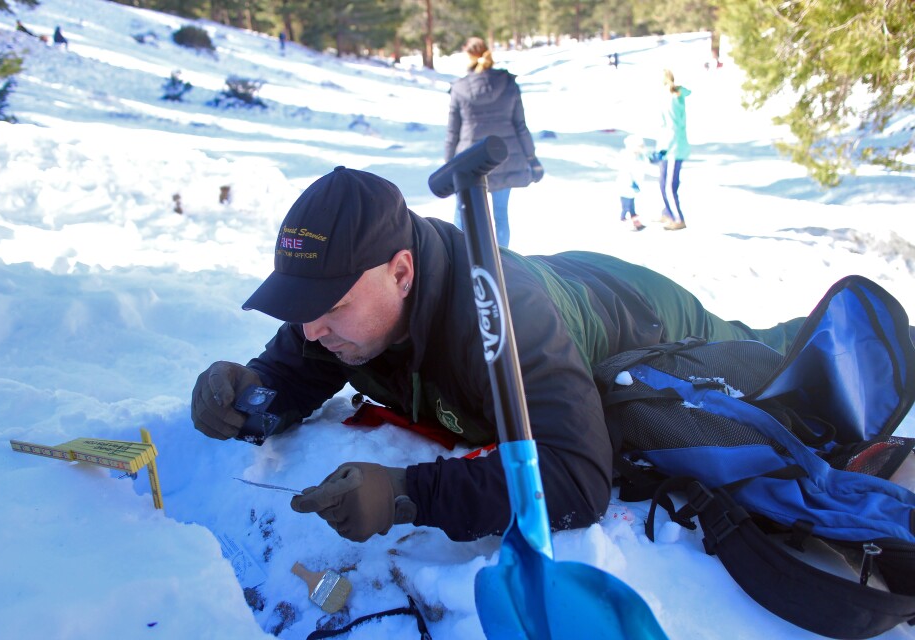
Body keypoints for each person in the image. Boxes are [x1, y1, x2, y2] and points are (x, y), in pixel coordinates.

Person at [191, 166, 811, 544]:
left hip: (634, 310)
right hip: (556, 278)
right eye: (300, 306)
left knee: (779, 355)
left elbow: (577, 475)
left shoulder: (495, 324)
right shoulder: (342, 314)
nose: (311, 328)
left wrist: (410, 493)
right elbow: (293, 368)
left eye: (329, 305)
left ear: (402, 271)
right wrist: (247, 397)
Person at [444, 37, 543, 249]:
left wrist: (448, 165)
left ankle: (459, 259)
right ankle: (503, 264)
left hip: (470, 160)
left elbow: (453, 131)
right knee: (500, 216)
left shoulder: (460, 88)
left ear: (467, 56)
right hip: (503, 157)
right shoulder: (508, 83)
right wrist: (532, 158)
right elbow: (520, 125)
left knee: (463, 215)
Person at [655, 68, 691, 231]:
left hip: (672, 149)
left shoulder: (669, 99)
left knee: (668, 186)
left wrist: (663, 149)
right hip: (671, 146)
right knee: (663, 182)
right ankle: (668, 212)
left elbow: (672, 127)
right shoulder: (672, 97)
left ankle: (677, 218)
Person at [616, 135, 647, 231]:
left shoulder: (640, 157)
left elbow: (644, 165)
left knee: (632, 205)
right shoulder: (627, 156)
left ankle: (635, 223)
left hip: (633, 187)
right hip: (626, 186)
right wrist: (632, 183)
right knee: (626, 206)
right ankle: (624, 221)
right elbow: (626, 172)